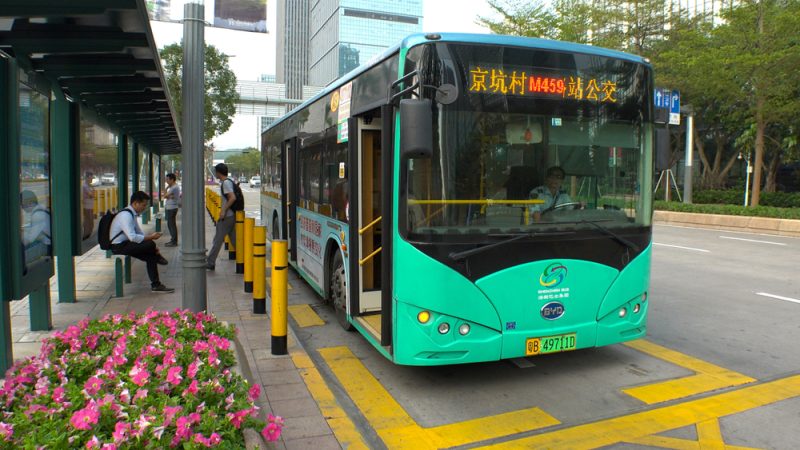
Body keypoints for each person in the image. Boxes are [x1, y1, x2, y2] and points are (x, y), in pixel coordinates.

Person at [110, 191, 174, 293]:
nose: (145, 208)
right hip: (118, 246)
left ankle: (156, 285)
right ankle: (156, 280)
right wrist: (151, 238)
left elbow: (139, 232)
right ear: (135, 203)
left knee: (150, 254)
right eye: (143, 205)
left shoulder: (132, 214)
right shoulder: (126, 216)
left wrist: (150, 244)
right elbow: (132, 237)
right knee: (151, 244)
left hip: (126, 244)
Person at [206, 163, 237, 271]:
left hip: (227, 216)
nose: (215, 174)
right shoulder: (227, 182)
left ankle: (210, 262)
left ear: (219, 172)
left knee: (218, 240)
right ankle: (248, 257)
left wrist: (223, 210)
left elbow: (232, 198)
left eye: (216, 172)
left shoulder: (226, 183)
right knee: (235, 240)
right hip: (230, 216)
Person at [21, 190, 51, 265]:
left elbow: (29, 240)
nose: (22, 208)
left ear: (30, 203)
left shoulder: (38, 215)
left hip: (47, 247)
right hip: (47, 245)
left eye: (23, 205)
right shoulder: (41, 208)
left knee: (20, 256)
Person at [164, 173, 181, 247]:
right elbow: (167, 196)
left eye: (167, 179)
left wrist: (166, 189)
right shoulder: (174, 187)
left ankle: (174, 241)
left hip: (172, 208)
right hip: (171, 207)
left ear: (172, 179)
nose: (166, 181)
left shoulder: (174, 187)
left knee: (171, 225)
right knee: (170, 224)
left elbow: (165, 196)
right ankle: (173, 240)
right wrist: (169, 196)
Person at [82, 172, 95, 239]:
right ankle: (85, 235)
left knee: (90, 222)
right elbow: (91, 195)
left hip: (90, 206)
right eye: (91, 177)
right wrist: (93, 192)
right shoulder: (85, 186)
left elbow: (93, 195)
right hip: (87, 207)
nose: (92, 179)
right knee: (88, 221)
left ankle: (87, 234)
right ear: (87, 178)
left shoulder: (89, 185)